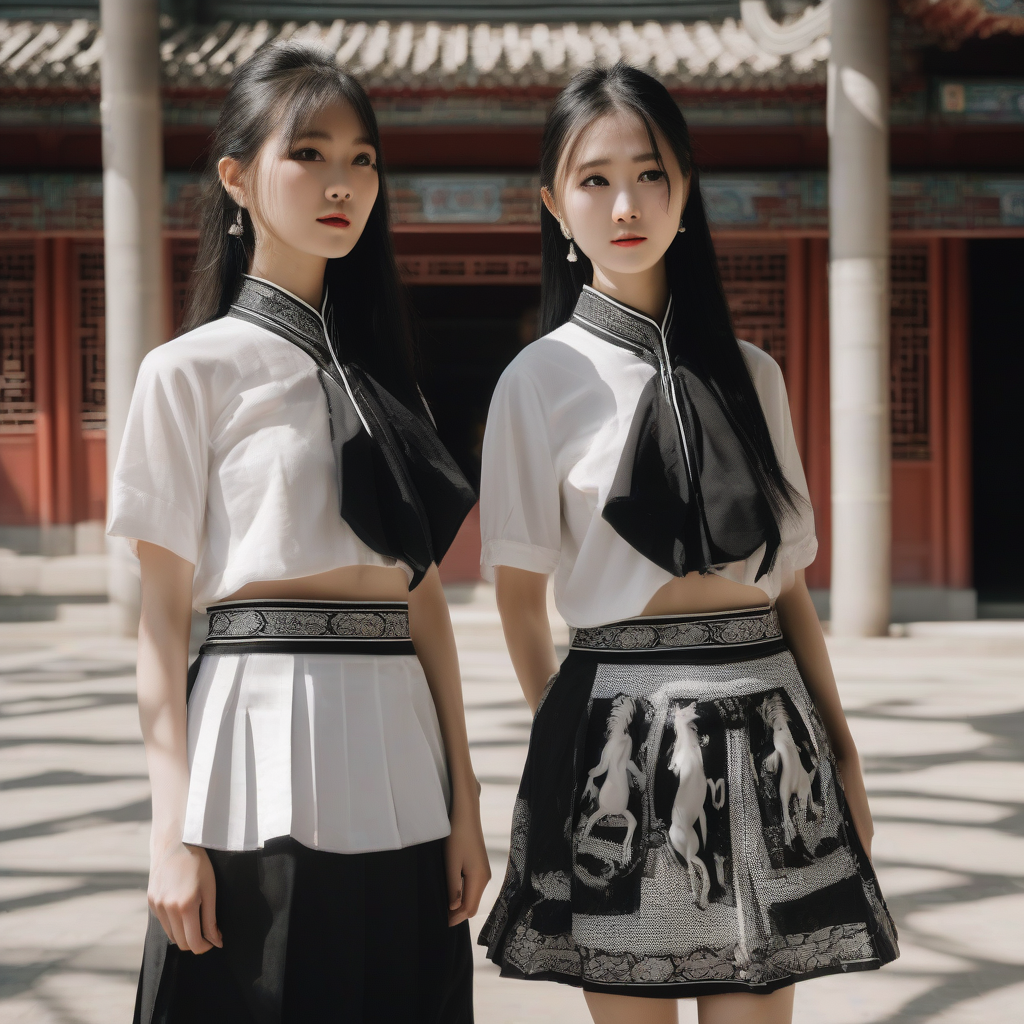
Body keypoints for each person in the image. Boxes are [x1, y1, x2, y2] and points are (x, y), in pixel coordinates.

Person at [477, 64, 898, 1024]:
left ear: (686, 188)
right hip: (616, 734)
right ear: (554, 203)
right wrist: (576, 745)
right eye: (594, 179)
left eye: (651, 174)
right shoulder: (537, 382)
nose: (625, 203)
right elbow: (516, 596)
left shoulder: (753, 374)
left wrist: (842, 750)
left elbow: (785, 586)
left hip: (768, 721)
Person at [108, 42, 488, 1024]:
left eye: (362, 159)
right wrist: (169, 832)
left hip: (401, 755)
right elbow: (158, 624)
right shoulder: (188, 372)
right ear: (236, 177)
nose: (342, 184)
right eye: (309, 154)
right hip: (254, 748)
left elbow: (426, 605)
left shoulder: (388, 385)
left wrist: (467, 801)